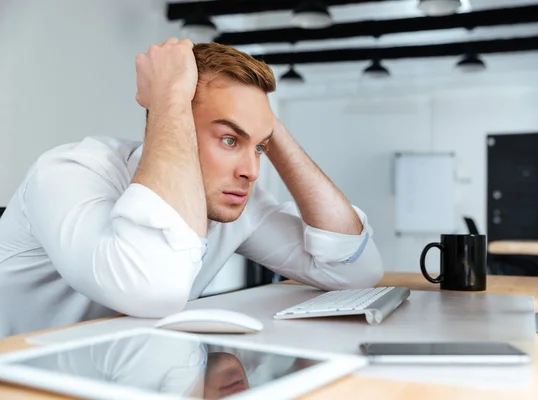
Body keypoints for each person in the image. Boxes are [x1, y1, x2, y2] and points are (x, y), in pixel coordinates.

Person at [0, 38, 384, 338]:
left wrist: (265, 124)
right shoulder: (65, 173)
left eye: (260, 148)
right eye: (230, 140)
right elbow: (153, 289)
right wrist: (168, 97)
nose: (251, 171)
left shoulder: (231, 201)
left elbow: (356, 270)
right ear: (176, 116)